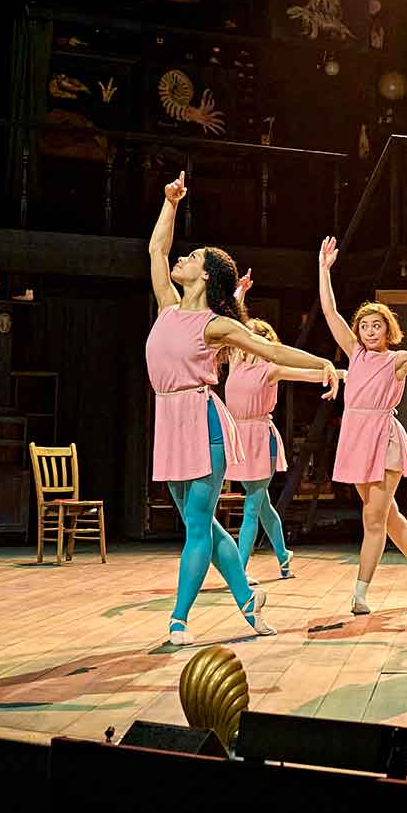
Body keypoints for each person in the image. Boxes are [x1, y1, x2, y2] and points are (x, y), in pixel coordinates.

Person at [148, 171, 340, 647]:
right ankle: (248, 600)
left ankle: (178, 619)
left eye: (192, 257)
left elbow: (271, 352)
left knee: (196, 527)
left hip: (203, 422)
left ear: (207, 275)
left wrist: (321, 364)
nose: (182, 259)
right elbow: (156, 251)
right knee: (205, 526)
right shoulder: (168, 307)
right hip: (170, 420)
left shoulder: (216, 326)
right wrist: (170, 204)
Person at [317, 236, 407, 614]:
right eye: (365, 325)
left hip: (384, 437)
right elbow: (330, 313)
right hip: (356, 437)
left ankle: (359, 593)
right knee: (387, 516)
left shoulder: (399, 359)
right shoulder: (354, 354)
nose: (370, 331)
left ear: (388, 330)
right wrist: (324, 270)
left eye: (377, 326)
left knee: (373, 518)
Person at [221, 301, 335, 580]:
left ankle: (239, 570)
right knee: (261, 505)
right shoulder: (235, 363)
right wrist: (239, 297)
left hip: (261, 439)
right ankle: (283, 556)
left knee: (252, 506)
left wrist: (337, 373)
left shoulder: (270, 369)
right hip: (239, 437)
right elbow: (231, 324)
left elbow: (304, 373)